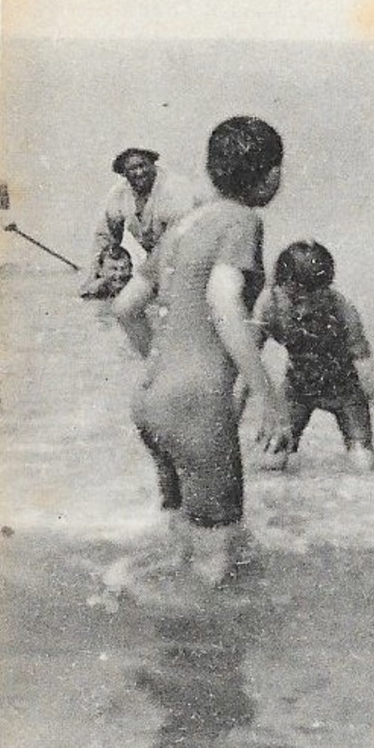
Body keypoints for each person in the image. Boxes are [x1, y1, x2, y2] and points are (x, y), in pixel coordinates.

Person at [112, 116, 293, 587]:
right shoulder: (241, 220)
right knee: (217, 557)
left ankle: (154, 640)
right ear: (271, 174)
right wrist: (268, 398)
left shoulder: (182, 227)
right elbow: (222, 299)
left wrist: (170, 370)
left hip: (151, 402)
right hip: (195, 409)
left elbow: (126, 306)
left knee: (182, 544)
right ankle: (197, 650)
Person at [253, 241, 374, 471]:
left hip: (346, 392)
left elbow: (371, 382)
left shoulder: (342, 312)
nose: (303, 311)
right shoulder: (270, 306)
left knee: (364, 466)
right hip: (297, 390)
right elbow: (244, 370)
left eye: (312, 301)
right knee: (270, 463)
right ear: (280, 286)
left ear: (327, 289)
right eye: (296, 300)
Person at [80, 147, 203, 298]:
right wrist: (96, 277)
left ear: (153, 164)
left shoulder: (174, 190)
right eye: (132, 168)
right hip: (160, 260)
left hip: (192, 256)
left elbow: (176, 246)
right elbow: (104, 238)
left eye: (143, 165)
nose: (139, 172)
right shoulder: (119, 195)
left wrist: (147, 282)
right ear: (124, 173)